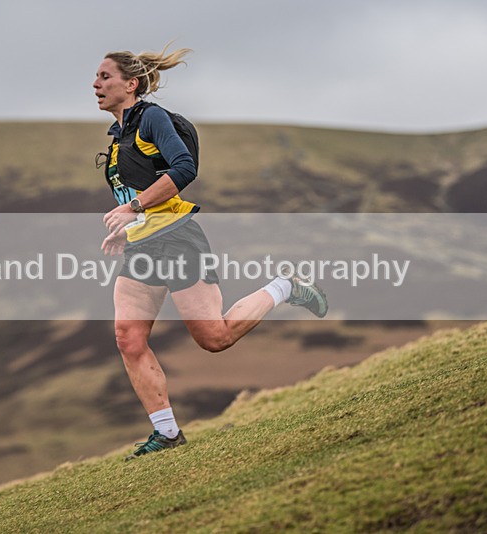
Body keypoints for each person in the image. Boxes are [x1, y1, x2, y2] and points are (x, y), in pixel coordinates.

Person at [93, 44, 328, 461]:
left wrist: (134, 208)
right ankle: (166, 433)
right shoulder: (117, 138)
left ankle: (286, 287)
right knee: (128, 337)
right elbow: (138, 193)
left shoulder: (152, 118)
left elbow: (184, 169)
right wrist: (127, 228)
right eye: (96, 77)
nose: (96, 84)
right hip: (142, 246)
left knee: (215, 338)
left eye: (105, 76)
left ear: (131, 84)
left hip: (178, 239)